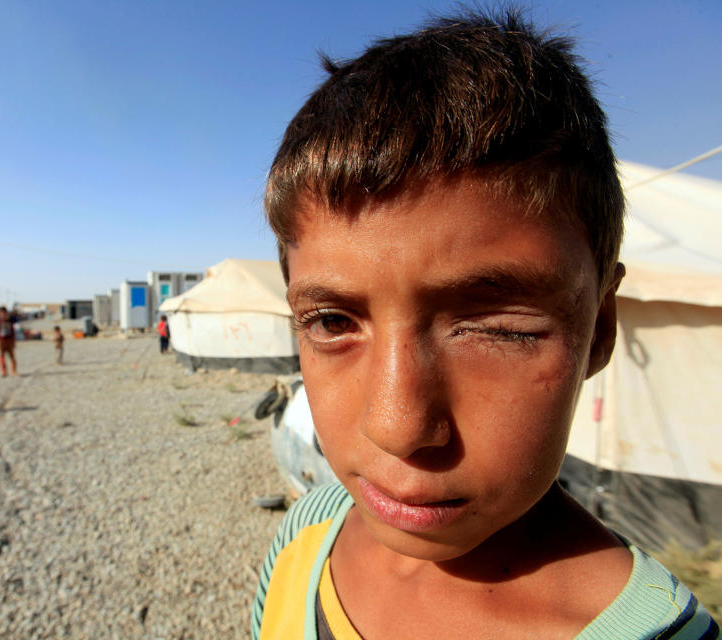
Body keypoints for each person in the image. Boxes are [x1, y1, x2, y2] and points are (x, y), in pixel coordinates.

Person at [251, 10, 718, 640]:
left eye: (500, 329)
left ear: (601, 328)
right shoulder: (305, 535)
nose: (397, 427)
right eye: (333, 321)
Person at [0, 306, 18, 377]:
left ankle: (14, 370)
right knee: (2, 357)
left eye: (4, 313)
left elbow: (13, 332)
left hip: (9, 341)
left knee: (12, 357)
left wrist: (13, 342)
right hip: (1, 341)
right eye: (1, 313)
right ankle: (4, 371)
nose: (3, 314)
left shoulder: (9, 321)